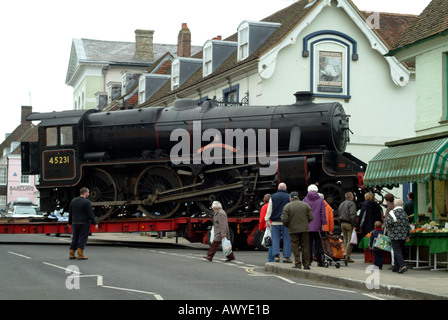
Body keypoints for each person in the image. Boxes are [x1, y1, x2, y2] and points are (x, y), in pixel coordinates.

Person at [281, 191, 314, 269]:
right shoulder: (305, 205)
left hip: (293, 230)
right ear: (298, 197)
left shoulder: (287, 206)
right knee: (305, 247)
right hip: (304, 229)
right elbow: (311, 217)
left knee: (295, 247)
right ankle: (306, 265)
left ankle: (297, 263)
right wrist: (306, 223)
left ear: (291, 198)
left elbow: (284, 219)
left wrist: (288, 225)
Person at [265, 182, 292, 263]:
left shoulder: (273, 197)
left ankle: (276, 256)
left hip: (275, 222)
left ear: (278, 188)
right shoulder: (289, 197)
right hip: (286, 222)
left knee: (275, 239)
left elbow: (269, 209)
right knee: (287, 239)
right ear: (286, 188)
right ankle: (286, 257)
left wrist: (267, 219)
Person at [68, 187, 98, 260]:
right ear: (85, 193)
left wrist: (69, 222)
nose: (88, 194)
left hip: (75, 223)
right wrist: (95, 223)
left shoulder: (73, 201)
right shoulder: (87, 202)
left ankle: (71, 254)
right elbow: (90, 214)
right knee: (82, 238)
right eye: (88, 192)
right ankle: (80, 254)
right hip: (84, 223)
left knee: (75, 238)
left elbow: (70, 213)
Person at [303, 184, 327, 266]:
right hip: (317, 225)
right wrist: (324, 224)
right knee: (318, 244)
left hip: (308, 225)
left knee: (308, 244)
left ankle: (308, 261)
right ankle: (320, 261)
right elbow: (323, 213)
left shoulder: (305, 200)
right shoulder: (320, 200)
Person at [385, 199, 411, 273]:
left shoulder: (392, 213)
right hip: (403, 235)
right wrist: (408, 235)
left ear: (395, 205)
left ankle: (403, 266)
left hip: (394, 235)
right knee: (400, 250)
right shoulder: (404, 213)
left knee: (397, 251)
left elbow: (388, 223)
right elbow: (407, 226)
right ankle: (396, 267)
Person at [338, 192, 357, 263]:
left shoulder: (341, 204)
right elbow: (353, 215)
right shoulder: (351, 204)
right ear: (351, 197)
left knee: (345, 240)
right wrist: (355, 225)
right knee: (350, 240)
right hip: (349, 223)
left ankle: (344, 254)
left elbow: (339, 214)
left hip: (342, 223)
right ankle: (347, 256)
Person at [259, 194, 274, 262]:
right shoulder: (274, 205)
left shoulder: (264, 207)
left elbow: (262, 219)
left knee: (270, 243)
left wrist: (261, 228)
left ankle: (271, 259)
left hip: (268, 226)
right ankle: (276, 257)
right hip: (275, 225)